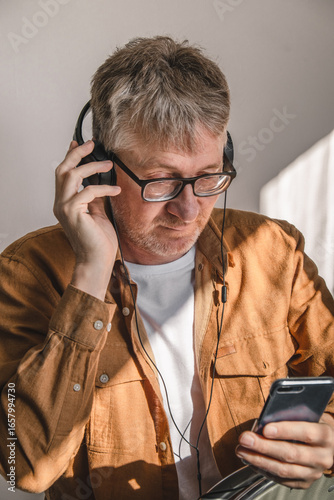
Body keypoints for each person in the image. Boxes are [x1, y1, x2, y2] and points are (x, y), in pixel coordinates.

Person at [0, 36, 334, 500]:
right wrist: (91, 273)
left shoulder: (273, 250)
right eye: (162, 181)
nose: (189, 209)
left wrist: (329, 442)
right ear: (100, 172)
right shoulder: (25, 272)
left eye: (209, 177)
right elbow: (25, 467)